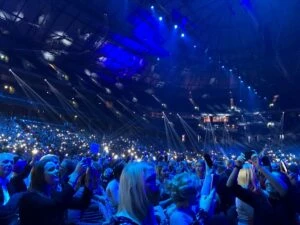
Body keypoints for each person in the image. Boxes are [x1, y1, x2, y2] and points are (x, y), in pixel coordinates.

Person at [227, 153, 297, 225]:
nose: (269, 181)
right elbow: (230, 186)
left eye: (273, 179)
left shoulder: (288, 201)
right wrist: (237, 166)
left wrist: (260, 167)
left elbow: (283, 190)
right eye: (267, 179)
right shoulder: (258, 199)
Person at [19, 157, 92, 225]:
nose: (57, 171)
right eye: (51, 169)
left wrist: (89, 184)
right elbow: (55, 204)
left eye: (57, 168)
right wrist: (75, 174)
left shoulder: (54, 194)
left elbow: (83, 204)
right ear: (40, 175)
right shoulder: (29, 198)